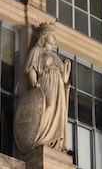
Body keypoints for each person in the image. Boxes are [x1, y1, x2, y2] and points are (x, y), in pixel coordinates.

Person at [14, 22, 71, 153]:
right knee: (48, 106)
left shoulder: (56, 56)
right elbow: (31, 68)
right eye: (52, 35)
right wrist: (33, 82)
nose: (54, 38)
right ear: (44, 36)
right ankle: (41, 137)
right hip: (46, 80)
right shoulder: (36, 51)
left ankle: (53, 142)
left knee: (59, 110)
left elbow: (64, 80)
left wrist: (66, 70)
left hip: (58, 86)